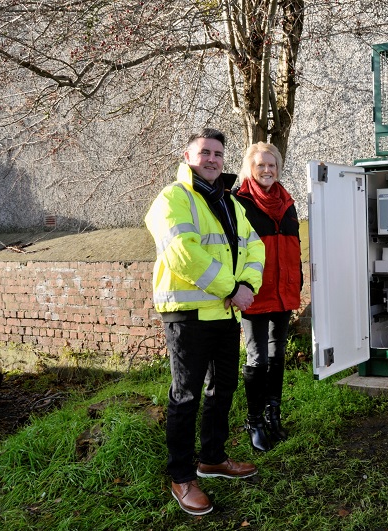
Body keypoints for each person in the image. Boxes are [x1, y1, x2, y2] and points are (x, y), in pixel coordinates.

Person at [144, 128, 266, 515]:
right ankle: (181, 476)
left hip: (225, 313)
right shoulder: (172, 198)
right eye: (204, 152)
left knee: (223, 389)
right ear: (187, 156)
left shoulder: (230, 202)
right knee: (186, 396)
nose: (212, 159)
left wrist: (247, 284)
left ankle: (212, 458)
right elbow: (183, 253)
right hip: (189, 314)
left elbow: (254, 247)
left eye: (217, 153)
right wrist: (232, 288)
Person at [233, 142, 302, 452]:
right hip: (255, 294)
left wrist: (296, 281)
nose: (267, 170)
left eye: (272, 165)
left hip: (283, 292)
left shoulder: (287, 203)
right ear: (250, 167)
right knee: (257, 357)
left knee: (277, 357)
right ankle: (255, 420)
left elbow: (294, 247)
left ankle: (275, 416)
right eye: (260, 165)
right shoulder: (239, 202)